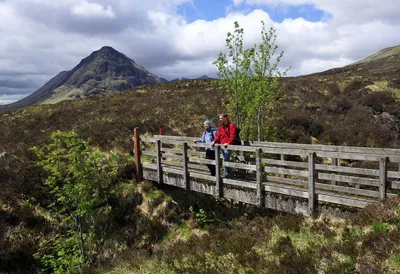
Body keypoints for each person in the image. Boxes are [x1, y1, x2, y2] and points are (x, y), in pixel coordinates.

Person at [210, 113, 237, 179]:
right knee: (225, 160)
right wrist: (214, 141)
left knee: (226, 160)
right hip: (222, 145)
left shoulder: (231, 125)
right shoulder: (221, 127)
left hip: (227, 146)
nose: (220, 119)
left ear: (226, 118)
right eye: (220, 118)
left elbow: (233, 136)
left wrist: (228, 143)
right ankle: (228, 175)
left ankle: (229, 176)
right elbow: (218, 135)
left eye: (221, 118)